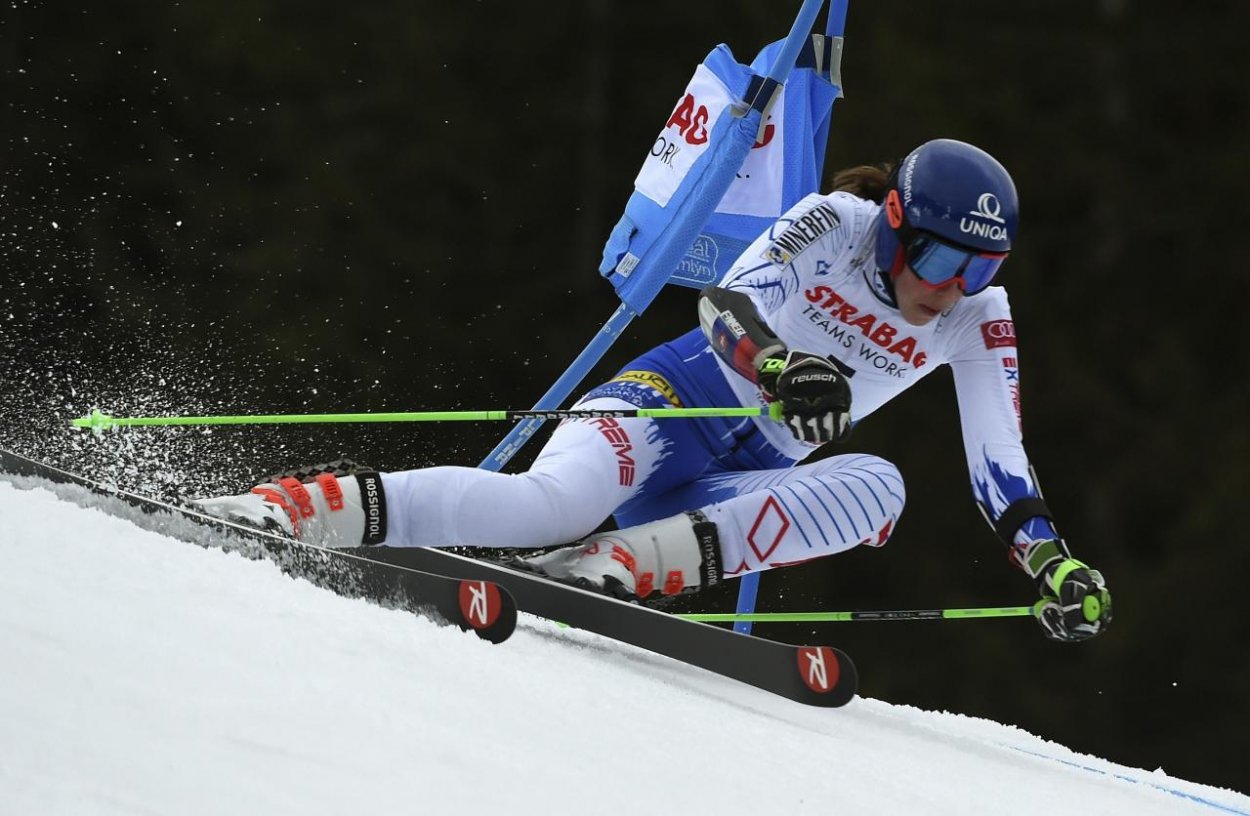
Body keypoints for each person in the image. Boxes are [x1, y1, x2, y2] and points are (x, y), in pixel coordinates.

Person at [198, 138, 1112, 643]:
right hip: (676, 402)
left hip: (728, 487)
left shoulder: (974, 315)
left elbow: (1000, 458)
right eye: (943, 254)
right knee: (550, 504)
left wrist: (1049, 561)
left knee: (880, 489)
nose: (952, 284)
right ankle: (295, 508)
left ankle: (619, 569)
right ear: (899, 222)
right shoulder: (835, 223)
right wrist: (783, 369)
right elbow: (726, 305)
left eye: (981, 262)